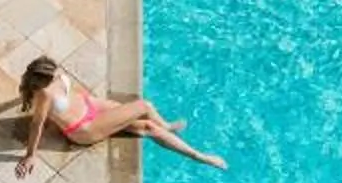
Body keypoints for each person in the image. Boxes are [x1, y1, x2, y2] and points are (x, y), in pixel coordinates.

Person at [15, 56, 224, 174]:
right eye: (51, 75)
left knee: (147, 120)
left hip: (90, 105)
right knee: (145, 109)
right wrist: (30, 155)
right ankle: (200, 156)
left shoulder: (53, 77)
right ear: (41, 81)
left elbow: (69, 94)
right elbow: (36, 125)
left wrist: (93, 103)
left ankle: (166, 129)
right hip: (83, 128)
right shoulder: (44, 94)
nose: (57, 74)